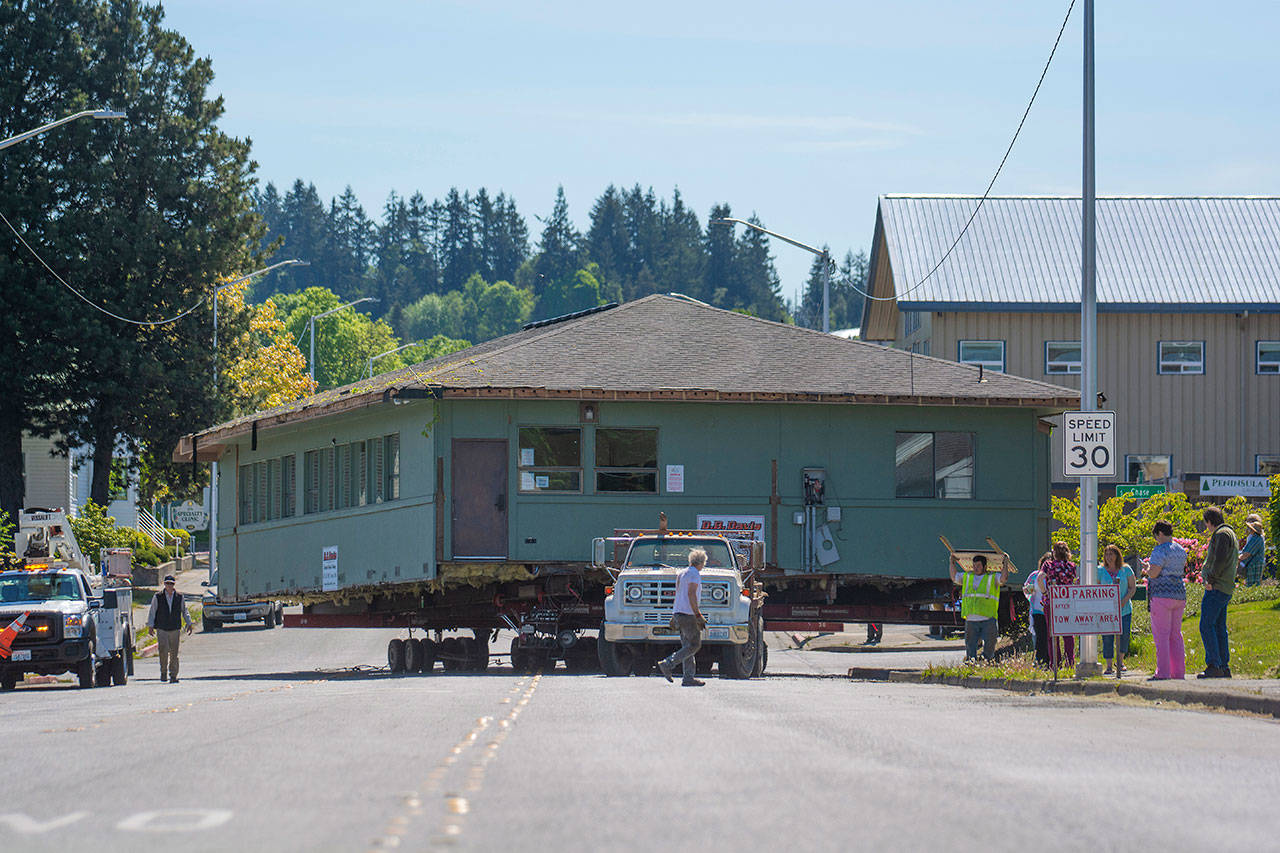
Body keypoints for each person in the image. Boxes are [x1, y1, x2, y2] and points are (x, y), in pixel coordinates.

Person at [1142, 520, 1187, 680]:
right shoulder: (1181, 549)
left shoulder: (1160, 549)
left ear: (1159, 534)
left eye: (1156, 536)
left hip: (1161, 594)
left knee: (1161, 635)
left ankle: (1163, 672)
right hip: (1179, 593)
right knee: (1176, 634)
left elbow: (1154, 573)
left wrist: (1147, 569)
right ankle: (1178, 672)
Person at [947, 552, 1010, 662]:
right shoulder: (967, 577)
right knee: (970, 645)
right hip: (971, 620)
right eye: (974, 566)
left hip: (988, 618)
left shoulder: (992, 578)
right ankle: (972, 664)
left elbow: (1004, 578)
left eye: (979, 566)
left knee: (990, 644)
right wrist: (952, 562)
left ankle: (987, 662)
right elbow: (954, 577)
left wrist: (1005, 563)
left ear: (985, 567)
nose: (976, 568)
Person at [1198, 506, 1238, 679]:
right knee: (1220, 627)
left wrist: (1210, 580)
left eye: (1206, 523)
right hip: (1226, 586)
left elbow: (1219, 559)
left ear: (1209, 521)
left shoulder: (1221, 534)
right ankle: (1223, 665)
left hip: (1217, 586)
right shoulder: (1230, 533)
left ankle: (1214, 664)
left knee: (1206, 625)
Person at [658, 549, 707, 687]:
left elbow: (678, 594)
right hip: (688, 614)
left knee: (687, 646)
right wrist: (698, 614)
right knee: (694, 645)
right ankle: (668, 663)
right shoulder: (694, 574)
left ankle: (688, 678)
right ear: (701, 562)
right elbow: (691, 594)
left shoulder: (681, 573)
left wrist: (674, 615)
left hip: (679, 612)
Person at [1036, 541, 1078, 668]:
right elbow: (1077, 581)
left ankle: (1055, 663)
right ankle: (1070, 662)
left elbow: (1039, 578)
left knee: (1052, 634)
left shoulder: (1048, 565)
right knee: (1068, 634)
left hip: (1052, 602)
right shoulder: (1072, 566)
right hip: (1067, 602)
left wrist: (1045, 592)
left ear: (1054, 552)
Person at [1098, 544, 1136, 678]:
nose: (1109, 557)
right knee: (1107, 636)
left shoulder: (1126, 569)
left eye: (1111, 554)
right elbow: (1096, 589)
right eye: (1107, 554)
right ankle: (1108, 665)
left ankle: (1120, 661)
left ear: (1117, 555)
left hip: (1124, 608)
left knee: (1124, 634)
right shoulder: (1100, 571)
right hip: (1106, 610)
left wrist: (1124, 600)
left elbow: (1132, 587)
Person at [147, 575, 193, 683]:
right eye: (167, 583)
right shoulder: (158, 596)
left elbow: (184, 610)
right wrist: (150, 626)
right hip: (162, 627)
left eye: (171, 584)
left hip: (175, 628)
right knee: (163, 651)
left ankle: (173, 675)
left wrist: (189, 623)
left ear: (174, 585)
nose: (169, 586)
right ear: (164, 584)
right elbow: (152, 611)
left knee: (174, 653)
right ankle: (163, 672)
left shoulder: (179, 597)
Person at [1024, 552, 1052, 666]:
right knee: (1040, 637)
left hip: (1050, 610)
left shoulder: (1053, 575)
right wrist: (1028, 590)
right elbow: (1026, 587)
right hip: (1037, 610)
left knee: (1049, 636)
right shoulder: (1035, 575)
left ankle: (1050, 660)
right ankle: (1041, 661)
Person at [1238, 513, 1266, 587]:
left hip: (1255, 564)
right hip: (1252, 564)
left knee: (1253, 585)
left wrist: (1237, 559)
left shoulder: (1257, 538)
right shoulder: (1252, 536)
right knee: (1251, 584)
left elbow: (1247, 553)